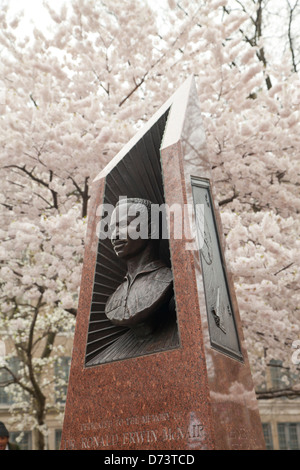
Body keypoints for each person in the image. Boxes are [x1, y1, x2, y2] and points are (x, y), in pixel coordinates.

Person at [105, 198, 176, 339]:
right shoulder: (114, 297)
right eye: (113, 228)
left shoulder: (167, 279)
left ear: (150, 229)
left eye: (124, 225)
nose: (115, 235)